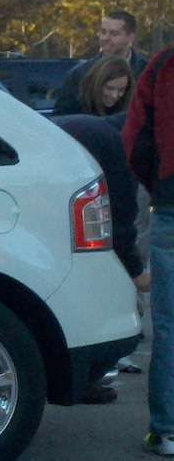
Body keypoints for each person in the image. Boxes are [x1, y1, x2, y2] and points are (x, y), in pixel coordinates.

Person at [54, 112, 146, 402]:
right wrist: (134, 271)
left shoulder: (92, 127)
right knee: (110, 311)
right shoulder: (117, 146)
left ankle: (84, 378)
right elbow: (121, 215)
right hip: (70, 225)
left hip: (50, 214)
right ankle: (85, 379)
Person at [122, 42, 174, 455]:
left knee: (169, 325)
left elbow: (135, 136)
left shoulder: (161, 65)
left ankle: (166, 428)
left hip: (171, 203)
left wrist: (157, 184)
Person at [53, 10, 148, 115]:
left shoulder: (150, 73)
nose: (106, 38)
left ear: (130, 37)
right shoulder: (79, 75)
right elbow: (62, 120)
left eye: (114, 33)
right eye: (103, 32)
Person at [61, 53, 136, 119]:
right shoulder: (74, 106)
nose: (114, 95)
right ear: (97, 84)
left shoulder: (127, 113)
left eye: (121, 90)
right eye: (109, 88)